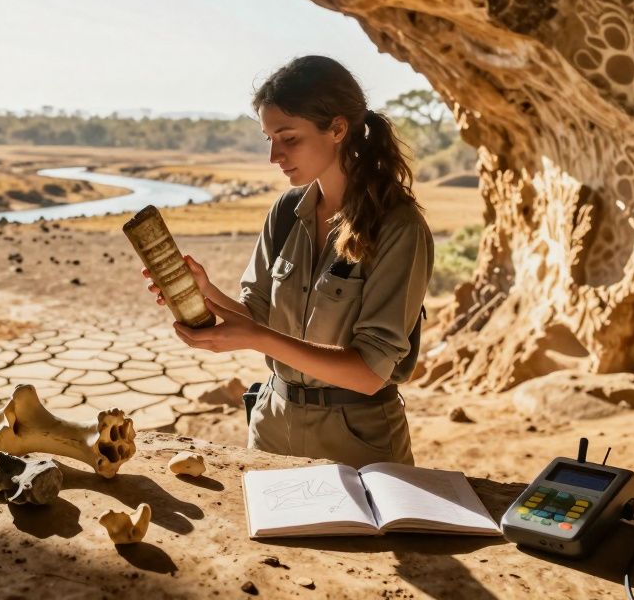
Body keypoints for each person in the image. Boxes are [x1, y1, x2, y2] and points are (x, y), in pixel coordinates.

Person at [143, 56, 433, 468]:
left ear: (337, 129)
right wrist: (203, 292)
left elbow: (369, 372)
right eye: (269, 139)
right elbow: (257, 315)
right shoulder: (286, 211)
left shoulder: (398, 227)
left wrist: (256, 339)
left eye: (289, 138)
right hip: (271, 425)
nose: (274, 155)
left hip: (357, 443)